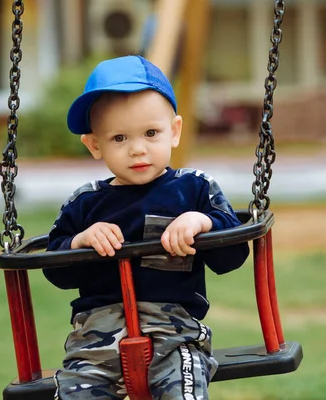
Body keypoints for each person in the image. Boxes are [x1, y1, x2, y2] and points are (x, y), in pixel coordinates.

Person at [44, 55, 250, 400]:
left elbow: (232, 256)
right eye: (119, 138)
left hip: (175, 337)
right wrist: (80, 241)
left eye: (151, 133)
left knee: (184, 391)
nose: (138, 149)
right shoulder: (84, 202)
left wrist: (202, 221)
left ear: (174, 131)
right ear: (95, 145)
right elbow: (57, 271)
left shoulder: (195, 189)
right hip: (96, 342)